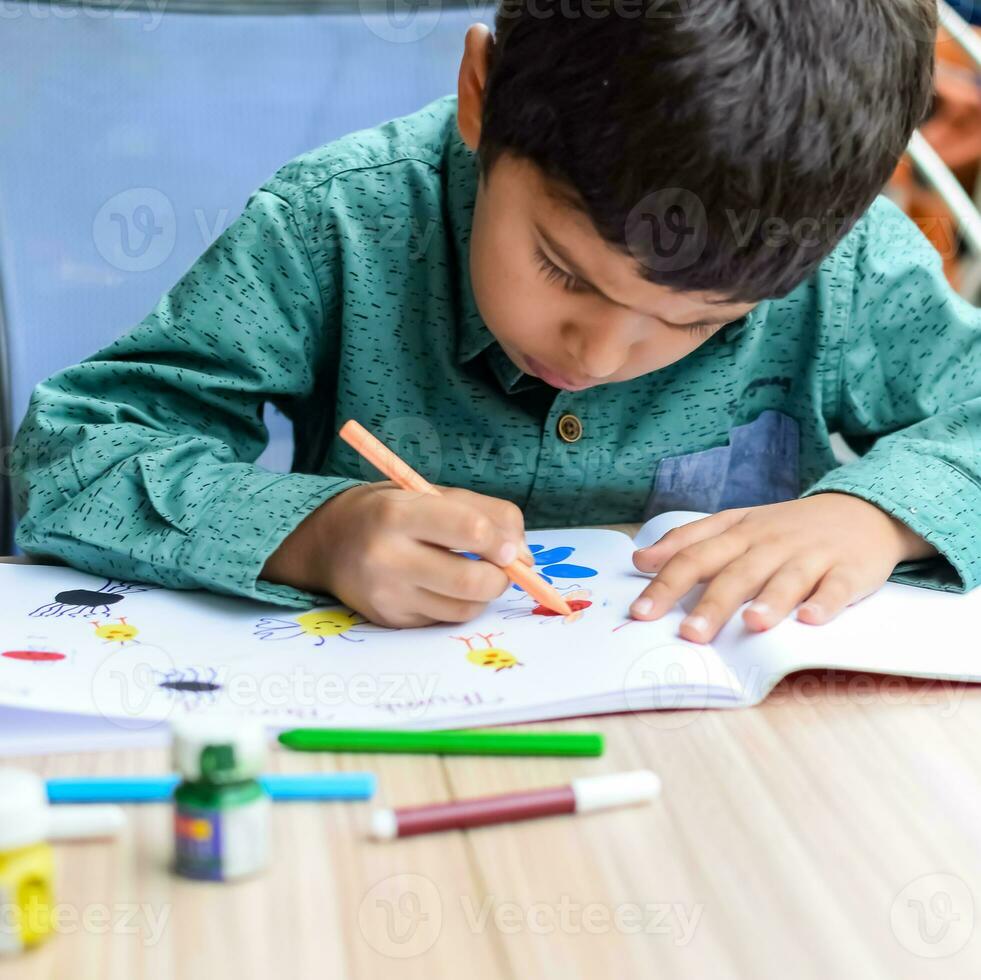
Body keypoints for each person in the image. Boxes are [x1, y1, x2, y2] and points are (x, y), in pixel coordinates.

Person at [13, 0, 979, 645]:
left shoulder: (846, 265)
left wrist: (872, 515)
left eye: (702, 320)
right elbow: (71, 456)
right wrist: (313, 532)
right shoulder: (338, 223)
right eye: (563, 270)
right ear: (482, 95)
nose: (598, 355)